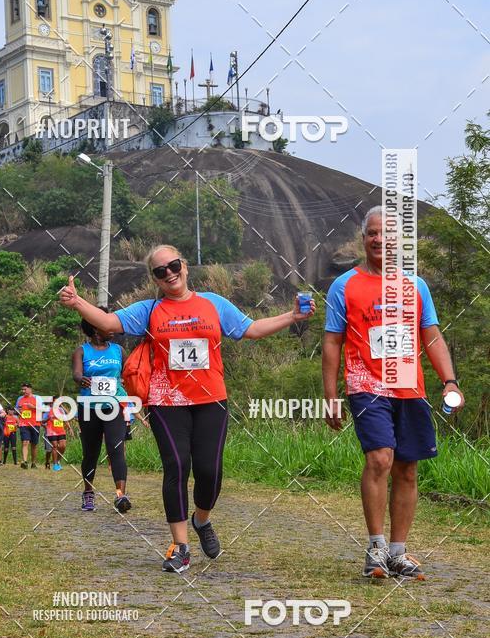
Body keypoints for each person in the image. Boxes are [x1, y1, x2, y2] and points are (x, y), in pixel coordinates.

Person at [60, 245, 315, 573]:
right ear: (154, 278)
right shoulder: (149, 310)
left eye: (173, 265)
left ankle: (202, 520)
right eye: (160, 271)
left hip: (211, 400)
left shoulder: (213, 304)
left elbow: (250, 329)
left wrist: (292, 316)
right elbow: (108, 322)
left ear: (185, 266)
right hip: (167, 403)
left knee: (210, 471)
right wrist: (78, 302)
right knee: (177, 467)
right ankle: (180, 547)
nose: (169, 273)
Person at [322, 206, 465, 580]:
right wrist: (330, 395)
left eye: (386, 235)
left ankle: (399, 554)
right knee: (380, 459)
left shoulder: (416, 286)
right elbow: (332, 343)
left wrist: (449, 381)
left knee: (407, 468)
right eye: (372, 233)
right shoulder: (345, 286)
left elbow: (431, 336)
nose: (378, 240)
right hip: (366, 386)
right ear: (364, 237)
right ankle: (377, 549)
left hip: (410, 388)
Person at [70, 316, 133, 513]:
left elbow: (130, 372)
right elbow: (76, 374)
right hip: (89, 407)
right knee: (91, 452)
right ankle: (88, 492)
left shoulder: (118, 350)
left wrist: (126, 381)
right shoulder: (81, 351)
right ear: (96, 330)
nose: (112, 329)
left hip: (115, 405)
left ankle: (120, 496)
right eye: (107, 326)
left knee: (116, 449)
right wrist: (82, 380)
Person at [15, 383, 41, 469]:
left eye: (25, 389)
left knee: (34, 444)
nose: (23, 391)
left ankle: (33, 463)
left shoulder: (37, 398)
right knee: (25, 442)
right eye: (22, 389)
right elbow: (17, 410)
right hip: (24, 424)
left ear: (30, 389)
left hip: (35, 424)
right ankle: (25, 462)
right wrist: (18, 413)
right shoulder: (20, 399)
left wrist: (33, 407)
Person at [43, 401, 70, 471]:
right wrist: (49, 418)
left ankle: (58, 461)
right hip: (51, 432)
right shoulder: (48, 411)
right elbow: (42, 421)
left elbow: (65, 419)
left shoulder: (61, 410)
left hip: (61, 431)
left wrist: (70, 428)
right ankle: (55, 465)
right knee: (54, 446)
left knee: (63, 446)